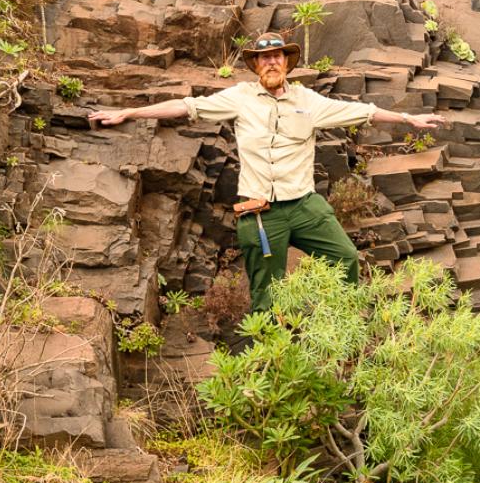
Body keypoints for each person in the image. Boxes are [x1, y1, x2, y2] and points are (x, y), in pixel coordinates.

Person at [88, 32, 448, 312]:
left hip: (306, 207)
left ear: (286, 63)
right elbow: (186, 107)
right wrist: (128, 114)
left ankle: (339, 326)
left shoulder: (309, 101)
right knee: (265, 293)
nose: (271, 62)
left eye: (277, 56)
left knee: (346, 259)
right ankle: (268, 361)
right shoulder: (240, 98)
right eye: (264, 58)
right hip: (261, 213)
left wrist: (408, 118)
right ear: (256, 64)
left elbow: (364, 112)